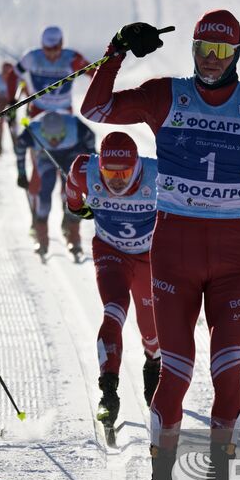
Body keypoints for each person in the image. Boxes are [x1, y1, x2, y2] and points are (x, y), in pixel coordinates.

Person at [81, 9, 240, 480]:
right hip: (174, 251)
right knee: (175, 374)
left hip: (233, 258)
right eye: (203, 49)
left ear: (237, 55)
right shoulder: (166, 95)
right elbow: (96, 107)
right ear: (193, 50)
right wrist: (115, 49)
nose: (210, 60)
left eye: (221, 52)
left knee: (227, 372)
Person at [65, 131, 161, 436]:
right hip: (111, 252)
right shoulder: (83, 170)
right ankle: (108, 390)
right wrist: (80, 209)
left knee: (152, 334)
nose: (117, 180)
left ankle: (153, 362)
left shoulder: (158, 174)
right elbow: (72, 200)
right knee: (113, 310)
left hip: (149, 258)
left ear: (136, 166)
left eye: (124, 172)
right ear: (100, 165)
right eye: (109, 172)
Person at [14, 110, 96, 258]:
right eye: (50, 137)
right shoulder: (33, 130)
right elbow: (20, 147)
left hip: (71, 152)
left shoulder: (75, 126)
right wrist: (21, 173)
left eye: (59, 136)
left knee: (71, 192)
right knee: (45, 191)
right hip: (46, 155)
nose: (55, 141)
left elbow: (91, 139)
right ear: (43, 132)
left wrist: (92, 162)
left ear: (65, 130)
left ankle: (74, 238)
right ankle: (42, 239)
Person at [15, 26, 90, 118]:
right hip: (38, 109)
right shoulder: (31, 57)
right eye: (47, 48)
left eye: (55, 48)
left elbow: (94, 73)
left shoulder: (72, 57)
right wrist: (11, 100)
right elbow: (14, 75)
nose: (52, 53)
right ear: (42, 44)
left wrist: (93, 98)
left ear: (61, 43)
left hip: (64, 111)